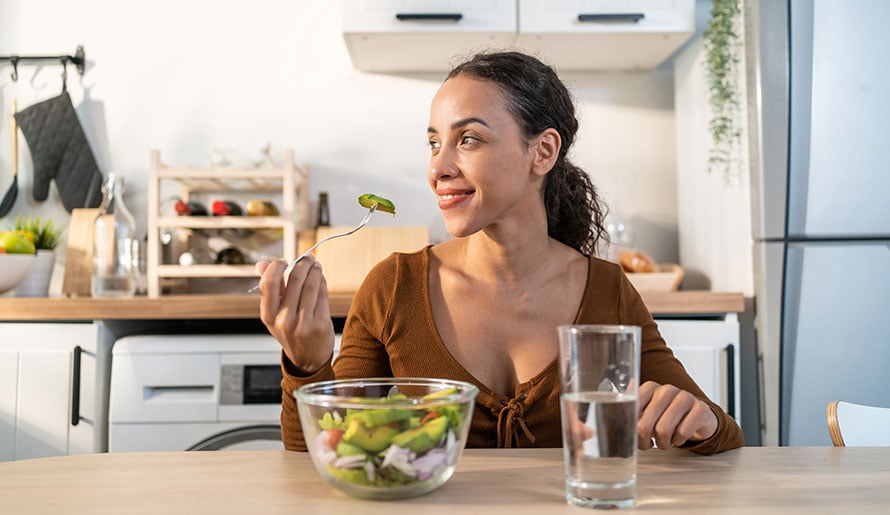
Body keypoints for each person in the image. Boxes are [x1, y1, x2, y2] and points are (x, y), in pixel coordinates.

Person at [256, 50, 744, 455]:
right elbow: (330, 453)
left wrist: (697, 421)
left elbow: (721, 436)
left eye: (468, 139)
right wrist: (306, 364)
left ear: (543, 152)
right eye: (433, 143)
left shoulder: (607, 291)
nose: (438, 168)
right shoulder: (394, 286)